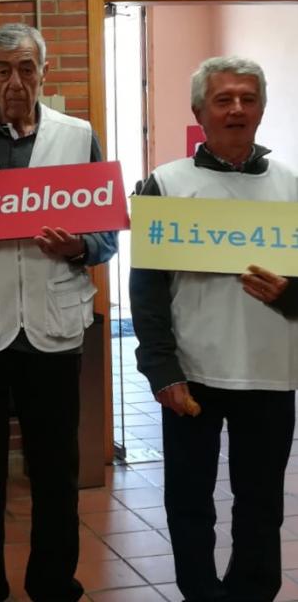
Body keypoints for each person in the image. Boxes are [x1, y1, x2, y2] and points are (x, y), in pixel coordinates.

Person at [0, 22, 117, 602]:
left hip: (52, 328)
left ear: (44, 71)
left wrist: (80, 247)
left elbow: (106, 233)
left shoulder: (77, 134)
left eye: (27, 68)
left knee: (55, 473)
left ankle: (53, 581)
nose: (16, 80)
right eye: (4, 70)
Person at [130, 56, 298, 602]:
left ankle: (251, 593)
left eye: (248, 99)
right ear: (200, 110)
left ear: (262, 108)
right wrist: (160, 369)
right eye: (224, 99)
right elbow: (148, 290)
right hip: (193, 374)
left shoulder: (292, 187)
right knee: (188, 502)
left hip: (271, 374)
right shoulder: (166, 184)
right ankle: (199, 594)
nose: (237, 109)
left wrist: (292, 296)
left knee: (261, 505)